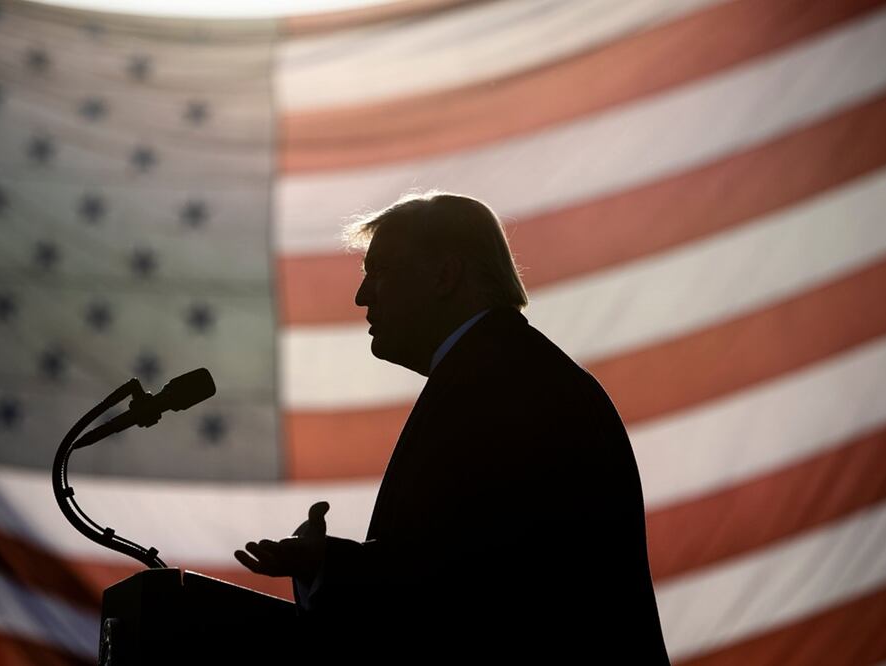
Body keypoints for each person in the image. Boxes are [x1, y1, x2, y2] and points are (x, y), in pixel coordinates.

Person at [236, 192, 669, 659]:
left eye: (379, 271)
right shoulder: (506, 371)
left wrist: (328, 564)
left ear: (445, 275)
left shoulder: (502, 383)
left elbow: (473, 580)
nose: (362, 296)